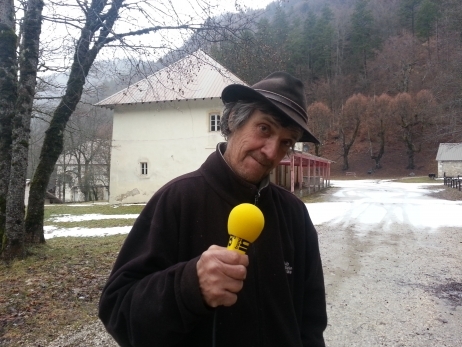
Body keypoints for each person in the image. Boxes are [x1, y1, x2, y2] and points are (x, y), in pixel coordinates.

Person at [98, 72, 327, 347]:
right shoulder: (177, 200)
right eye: (264, 128)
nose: (271, 151)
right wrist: (188, 287)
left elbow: (311, 324)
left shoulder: (295, 214)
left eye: (286, 142)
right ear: (233, 121)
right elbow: (117, 311)